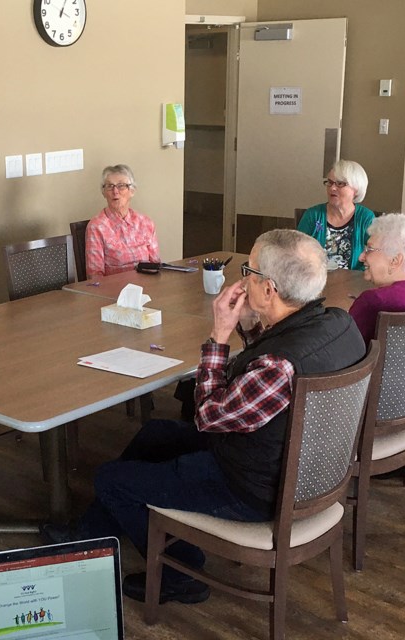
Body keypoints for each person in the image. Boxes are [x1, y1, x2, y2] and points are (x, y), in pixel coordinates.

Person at [44, 230, 366, 604]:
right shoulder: (339, 324)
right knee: (154, 435)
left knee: (110, 479)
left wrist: (219, 334)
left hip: (254, 487)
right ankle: (91, 538)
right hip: (299, 465)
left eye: (250, 271)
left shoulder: (279, 366)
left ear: (269, 290)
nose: (243, 278)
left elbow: (206, 415)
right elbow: (264, 371)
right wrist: (247, 324)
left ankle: (180, 572)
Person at [348, 213, 405, 344]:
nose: (361, 256)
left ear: (395, 260)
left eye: (369, 249)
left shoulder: (373, 301)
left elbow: (342, 348)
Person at [297, 159, 375, 270]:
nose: (332, 188)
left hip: (354, 282)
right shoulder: (313, 215)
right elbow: (296, 251)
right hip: (316, 280)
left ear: (356, 189)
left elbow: (376, 252)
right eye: (330, 182)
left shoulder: (365, 217)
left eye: (340, 183)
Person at [84, 164, 160, 277]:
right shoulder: (96, 227)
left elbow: (156, 265)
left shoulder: (146, 223)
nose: (115, 191)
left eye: (121, 186)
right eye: (110, 186)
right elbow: (95, 275)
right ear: (104, 192)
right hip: (114, 291)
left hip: (146, 287)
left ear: (132, 191)